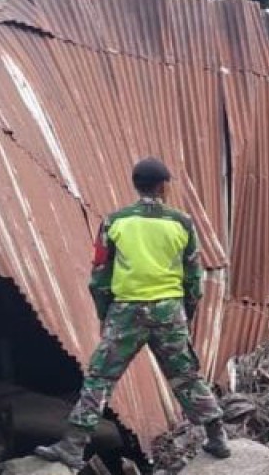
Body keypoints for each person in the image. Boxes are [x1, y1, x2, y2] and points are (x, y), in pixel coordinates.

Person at [36, 158, 230, 468]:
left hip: (126, 312)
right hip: (169, 311)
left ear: (135, 185)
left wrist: (104, 315)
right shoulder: (182, 223)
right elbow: (194, 278)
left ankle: (72, 447)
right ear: (164, 187)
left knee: (100, 378)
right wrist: (186, 313)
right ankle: (217, 437)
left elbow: (99, 276)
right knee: (185, 375)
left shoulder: (114, 222)